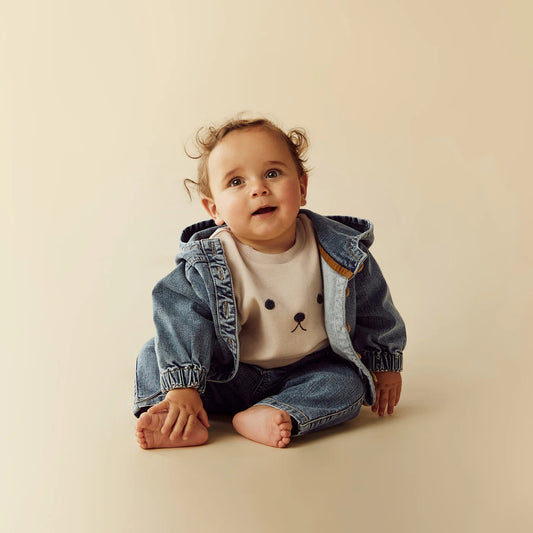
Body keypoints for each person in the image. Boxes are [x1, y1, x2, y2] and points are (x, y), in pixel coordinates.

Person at [134, 116, 406, 449]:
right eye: (236, 181)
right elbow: (180, 315)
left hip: (306, 372)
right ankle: (173, 416)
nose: (258, 188)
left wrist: (384, 362)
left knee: (348, 385)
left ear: (302, 188)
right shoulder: (209, 261)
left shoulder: (341, 249)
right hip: (226, 374)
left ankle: (275, 412)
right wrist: (183, 386)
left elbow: (373, 306)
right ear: (214, 209)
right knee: (154, 353)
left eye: (273, 173)